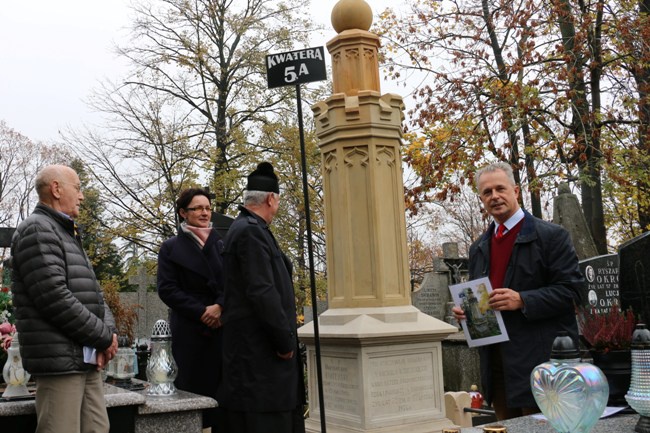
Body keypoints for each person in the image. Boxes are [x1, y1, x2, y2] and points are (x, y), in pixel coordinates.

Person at [452, 161, 583, 420]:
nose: (494, 196)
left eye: (500, 188)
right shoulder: (479, 247)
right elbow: (483, 299)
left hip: (540, 361)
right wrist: (469, 312)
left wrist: (523, 300)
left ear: (516, 191)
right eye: (487, 192)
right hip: (497, 362)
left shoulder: (551, 236)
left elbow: (572, 291)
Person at [10, 164, 118, 433]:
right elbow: (54, 298)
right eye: (78, 188)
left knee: (97, 428)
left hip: (86, 357)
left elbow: (95, 293)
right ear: (56, 189)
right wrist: (103, 337)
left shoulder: (67, 232)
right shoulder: (37, 230)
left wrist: (110, 335)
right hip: (60, 361)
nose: (82, 196)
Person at [219, 162, 305, 433]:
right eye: (278, 201)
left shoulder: (248, 228)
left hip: (258, 363)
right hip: (261, 363)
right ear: (270, 199)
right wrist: (283, 341)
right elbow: (262, 292)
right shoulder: (251, 232)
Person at [157, 187, 225, 431]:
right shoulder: (170, 247)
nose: (205, 212)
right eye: (198, 208)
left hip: (222, 326)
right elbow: (167, 289)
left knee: (223, 393)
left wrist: (220, 306)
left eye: (207, 208)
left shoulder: (223, 243)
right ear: (183, 213)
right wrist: (202, 312)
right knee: (193, 391)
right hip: (191, 328)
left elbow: (237, 281)